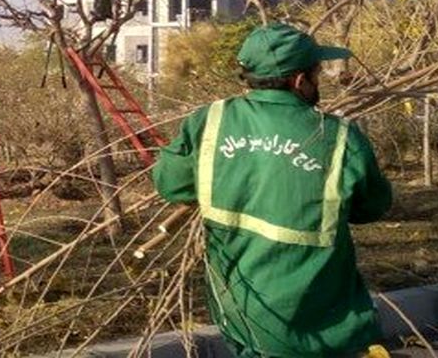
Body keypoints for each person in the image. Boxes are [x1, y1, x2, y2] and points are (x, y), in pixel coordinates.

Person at [153, 22, 392, 358]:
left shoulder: (210, 120)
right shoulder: (339, 138)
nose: (318, 79)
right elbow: (373, 206)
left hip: (240, 311)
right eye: (316, 72)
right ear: (298, 81)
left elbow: (171, 185)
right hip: (320, 322)